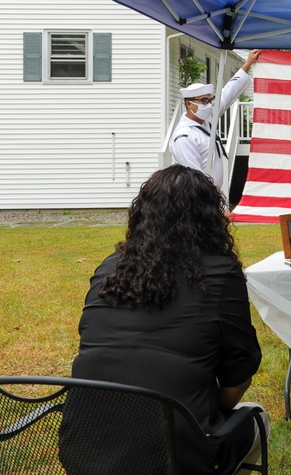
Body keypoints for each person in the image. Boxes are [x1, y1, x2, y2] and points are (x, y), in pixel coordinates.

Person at [62, 165, 268, 475]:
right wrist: (208, 409)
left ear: (141, 214)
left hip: (84, 451)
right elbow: (237, 379)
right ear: (209, 218)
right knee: (257, 418)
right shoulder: (220, 273)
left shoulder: (109, 269)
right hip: (176, 457)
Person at [170, 49, 260, 194]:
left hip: (211, 198)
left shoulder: (207, 119)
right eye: (204, 101)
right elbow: (195, 179)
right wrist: (219, 206)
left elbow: (228, 92)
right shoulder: (184, 136)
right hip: (194, 201)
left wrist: (248, 64)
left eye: (210, 100)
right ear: (189, 104)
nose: (208, 105)